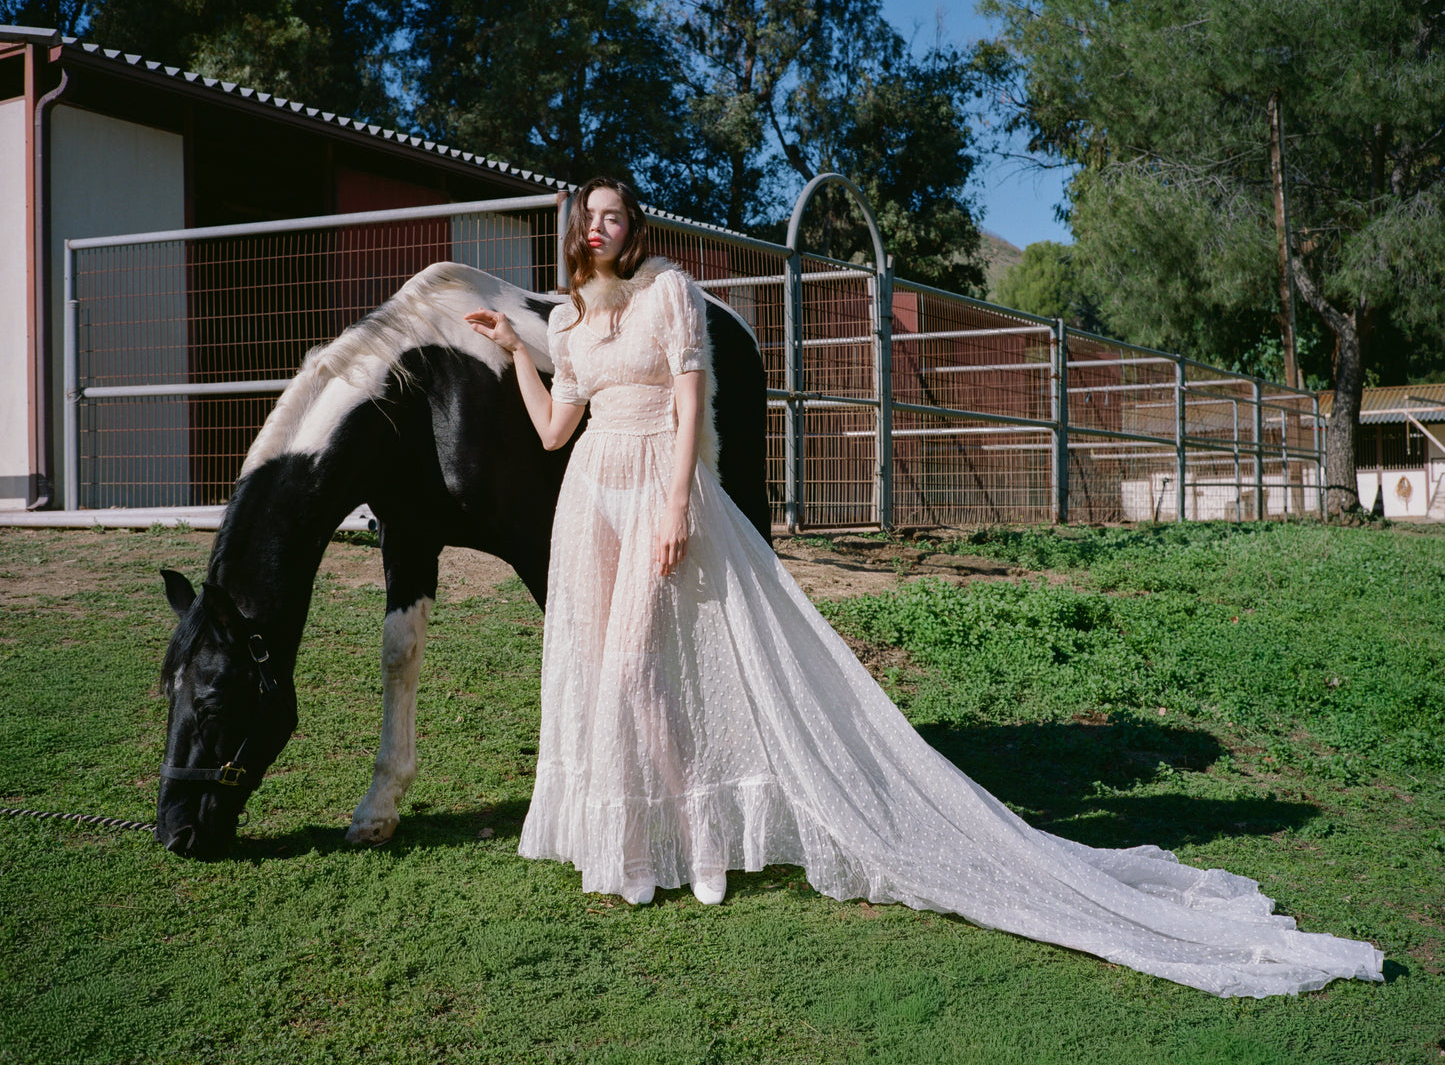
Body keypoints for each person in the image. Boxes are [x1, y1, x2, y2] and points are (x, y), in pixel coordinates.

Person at [465, 177, 1385, 998]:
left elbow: (694, 398)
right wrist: (516, 347)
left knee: (640, 668)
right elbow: (552, 431)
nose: (598, 229)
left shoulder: (669, 290)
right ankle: (647, 845)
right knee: (623, 673)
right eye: (586, 219)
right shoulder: (572, 321)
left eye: (612, 216)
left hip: (661, 487)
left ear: (633, 226)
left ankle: (700, 840)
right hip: (592, 499)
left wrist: (677, 502)